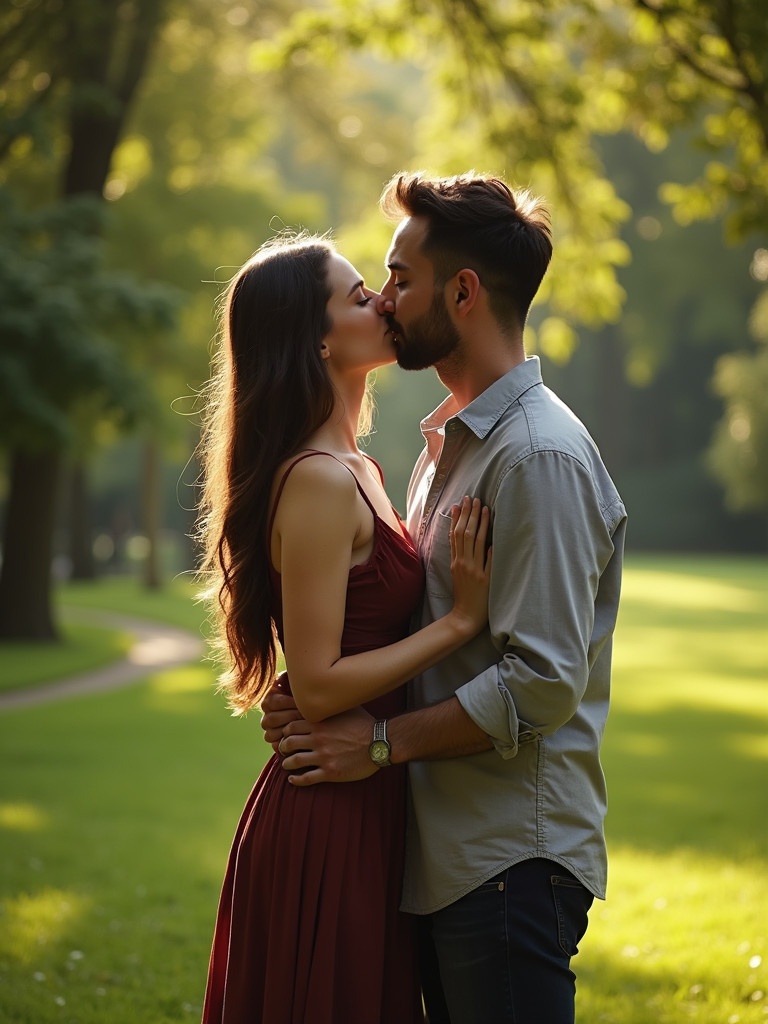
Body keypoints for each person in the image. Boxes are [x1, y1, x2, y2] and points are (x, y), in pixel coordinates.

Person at [261, 173, 628, 1024]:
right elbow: (405, 618)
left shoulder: (537, 457)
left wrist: (379, 743)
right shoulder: (449, 447)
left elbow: (539, 681)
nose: (385, 301)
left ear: (462, 292)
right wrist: (308, 698)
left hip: (506, 858)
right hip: (437, 853)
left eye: (399, 278)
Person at [195, 232, 492, 1024]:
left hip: (369, 792)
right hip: (328, 812)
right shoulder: (321, 482)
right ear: (319, 338)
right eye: (360, 295)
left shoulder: (358, 467)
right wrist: (459, 622)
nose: (384, 302)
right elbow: (321, 684)